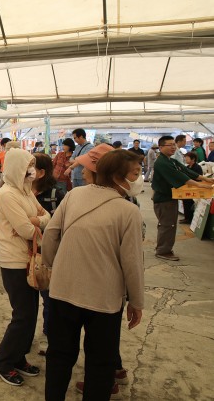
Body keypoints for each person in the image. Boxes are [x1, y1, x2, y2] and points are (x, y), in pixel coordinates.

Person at [43, 149, 145, 401]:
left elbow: (50, 235)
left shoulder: (74, 195)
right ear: (117, 176)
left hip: (62, 291)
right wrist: (136, 301)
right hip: (103, 300)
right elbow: (132, 262)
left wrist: (54, 268)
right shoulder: (128, 211)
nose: (139, 178)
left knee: (59, 355)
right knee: (100, 361)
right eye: (135, 173)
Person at [0, 148, 51, 386]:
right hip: (14, 261)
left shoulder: (25, 191)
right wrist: (34, 223)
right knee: (22, 316)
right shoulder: (7, 194)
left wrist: (35, 221)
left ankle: (17, 357)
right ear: (17, 168)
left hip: (30, 259)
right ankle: (1, 361)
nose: (32, 171)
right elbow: (26, 230)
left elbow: (47, 217)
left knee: (29, 315)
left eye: (33, 166)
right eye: (28, 166)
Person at [151, 136, 214, 261]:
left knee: (170, 225)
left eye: (174, 144)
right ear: (161, 147)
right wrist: (200, 185)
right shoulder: (162, 162)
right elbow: (179, 176)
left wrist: (205, 179)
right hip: (164, 199)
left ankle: (165, 249)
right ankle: (163, 251)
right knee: (167, 225)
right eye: (169, 145)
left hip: (170, 197)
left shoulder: (170, 160)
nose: (173, 147)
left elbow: (185, 170)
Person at [31, 153, 64, 339]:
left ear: (41, 172)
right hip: (25, 254)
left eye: (30, 168)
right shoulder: (21, 192)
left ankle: (48, 335)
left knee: (49, 299)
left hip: (47, 254)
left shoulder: (56, 195)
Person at [181, 152, 204, 224]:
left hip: (194, 189)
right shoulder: (187, 167)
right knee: (185, 202)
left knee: (191, 204)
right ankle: (186, 218)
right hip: (187, 188)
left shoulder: (197, 167)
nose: (185, 159)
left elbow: (199, 178)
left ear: (193, 159)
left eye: (187, 158)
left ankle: (190, 219)